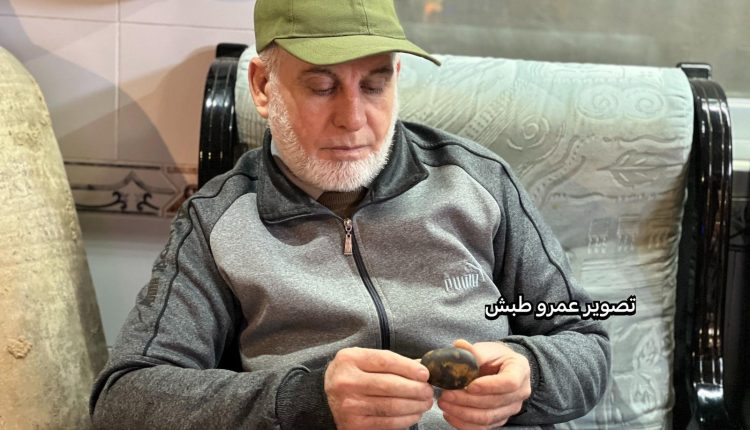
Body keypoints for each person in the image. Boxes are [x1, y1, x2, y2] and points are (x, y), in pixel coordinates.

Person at [90, 1, 611, 429]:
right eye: (322, 87)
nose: (354, 119)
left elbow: (585, 341)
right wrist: (307, 402)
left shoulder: (479, 182)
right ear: (263, 87)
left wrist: (531, 375)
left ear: (397, 77)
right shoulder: (219, 221)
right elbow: (125, 398)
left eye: (375, 85)